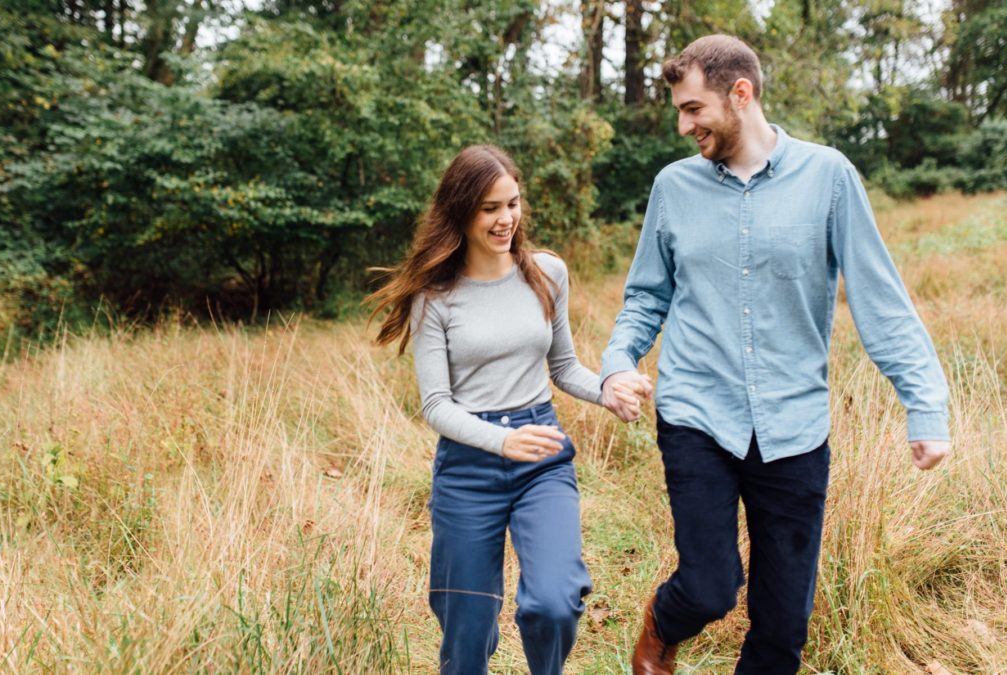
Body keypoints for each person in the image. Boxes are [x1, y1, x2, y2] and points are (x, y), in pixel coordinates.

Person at [597, 35, 952, 674]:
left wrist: (924, 406)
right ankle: (661, 625)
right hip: (697, 413)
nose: (684, 126)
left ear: (742, 93)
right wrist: (618, 363)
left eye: (694, 109)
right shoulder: (673, 188)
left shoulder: (830, 177)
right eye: (680, 110)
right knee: (709, 587)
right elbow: (645, 297)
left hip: (794, 423)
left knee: (783, 626)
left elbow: (881, 299)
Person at [369, 144, 651, 674]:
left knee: (553, 602)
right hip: (467, 464)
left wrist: (608, 391)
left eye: (513, 204)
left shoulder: (547, 273)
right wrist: (499, 440)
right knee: (465, 634)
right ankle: (474, 639)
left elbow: (564, 368)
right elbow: (435, 404)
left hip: (540, 448)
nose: (506, 220)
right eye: (490, 208)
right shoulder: (435, 296)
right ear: (461, 211)